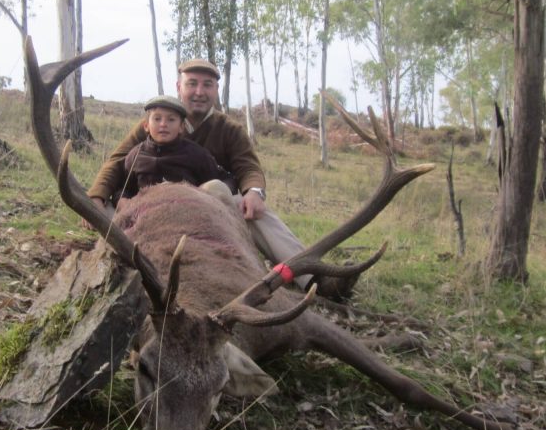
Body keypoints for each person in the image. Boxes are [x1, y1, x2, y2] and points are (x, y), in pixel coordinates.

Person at [87, 58, 356, 300]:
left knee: (247, 207)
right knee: (108, 212)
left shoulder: (229, 130)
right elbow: (117, 162)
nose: (199, 92)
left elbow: (248, 166)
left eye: (207, 85)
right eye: (191, 84)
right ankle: (114, 275)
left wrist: (254, 192)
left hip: (203, 214)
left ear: (216, 90)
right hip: (150, 215)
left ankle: (314, 278)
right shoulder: (153, 123)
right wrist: (97, 198)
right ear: (178, 87)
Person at [119, 95, 232, 199]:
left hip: (189, 214)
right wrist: (122, 200)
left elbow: (225, 180)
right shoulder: (135, 156)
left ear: (181, 127)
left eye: (171, 119)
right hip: (144, 216)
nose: (163, 124)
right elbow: (123, 189)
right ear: (146, 126)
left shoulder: (196, 154)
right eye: (157, 119)